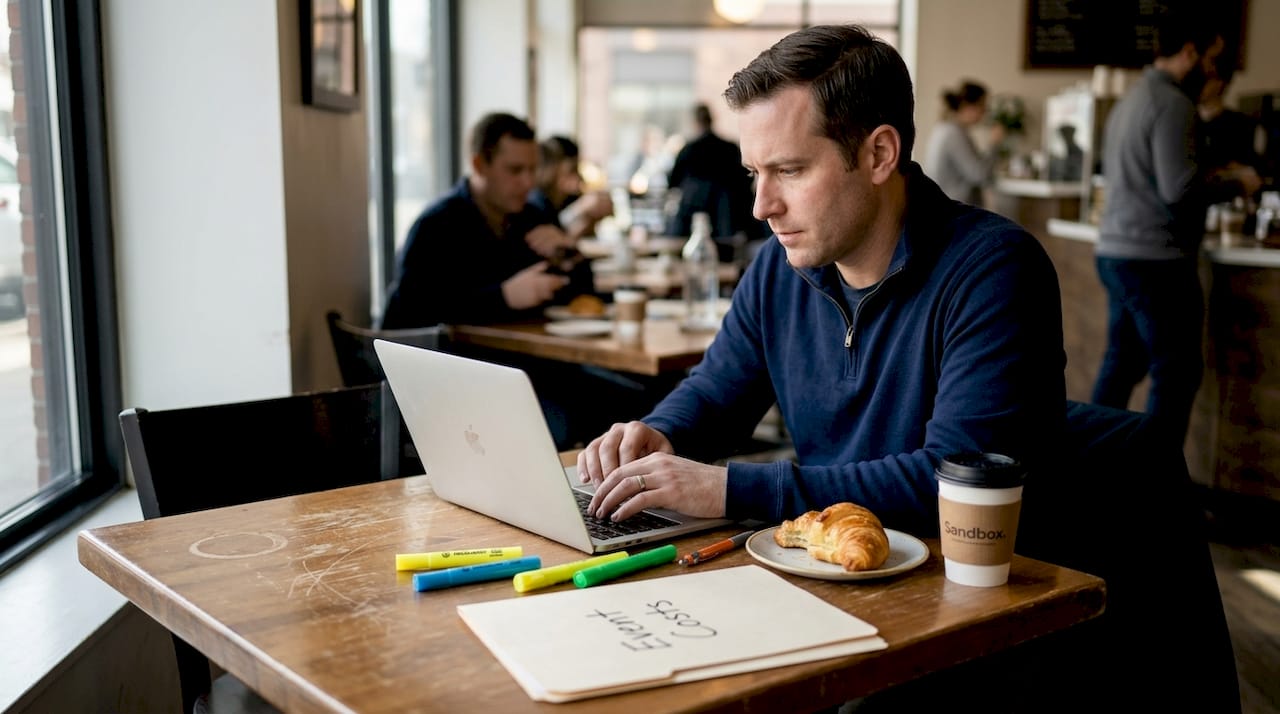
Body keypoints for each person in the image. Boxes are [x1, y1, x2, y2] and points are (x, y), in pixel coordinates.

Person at [577, 23, 1238, 713]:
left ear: (880, 154)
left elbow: (949, 476)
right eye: (755, 173)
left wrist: (729, 490)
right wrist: (658, 436)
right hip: (844, 583)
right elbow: (719, 389)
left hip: (967, 614)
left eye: (790, 171)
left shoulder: (993, 269)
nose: (760, 206)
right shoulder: (780, 266)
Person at [380, 112, 641, 449]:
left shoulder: (528, 217)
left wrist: (569, 253)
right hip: (455, 383)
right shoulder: (438, 225)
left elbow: (581, 299)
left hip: (527, 371)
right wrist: (503, 296)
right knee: (565, 421)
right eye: (515, 170)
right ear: (479, 164)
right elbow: (412, 314)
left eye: (532, 170)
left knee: (635, 406)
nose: (528, 182)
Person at [1091, 14, 1245, 446]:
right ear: (1191, 52)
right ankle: (1155, 488)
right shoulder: (1174, 103)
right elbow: (1180, 188)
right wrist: (1238, 182)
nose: (1215, 69)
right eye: (1213, 57)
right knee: (1176, 371)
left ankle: (1084, 472)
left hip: (1119, 251)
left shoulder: (1133, 98)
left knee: (1121, 365)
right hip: (1155, 259)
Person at [666, 102, 762, 262]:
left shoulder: (689, 150)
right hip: (728, 224)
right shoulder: (729, 148)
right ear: (712, 120)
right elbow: (745, 182)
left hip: (692, 223)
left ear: (695, 122)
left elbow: (672, 183)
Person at [922, 80, 1004, 206]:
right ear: (968, 106)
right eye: (982, 106)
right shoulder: (953, 134)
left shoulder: (945, 129)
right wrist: (994, 144)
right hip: (953, 214)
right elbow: (979, 175)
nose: (985, 112)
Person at [528, 135, 614, 243]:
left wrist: (591, 219)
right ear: (552, 168)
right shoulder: (535, 203)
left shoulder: (569, 199)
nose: (579, 177)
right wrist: (580, 209)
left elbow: (566, 239)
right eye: (572, 169)